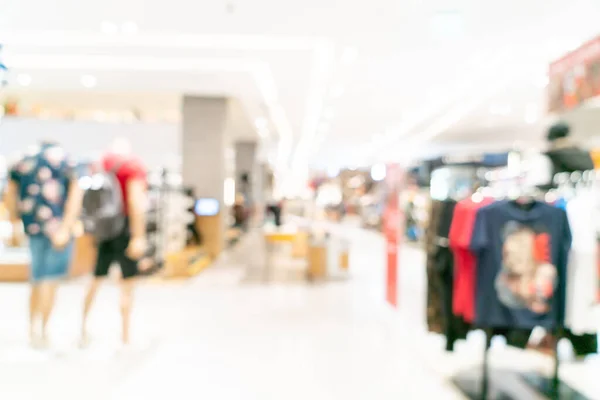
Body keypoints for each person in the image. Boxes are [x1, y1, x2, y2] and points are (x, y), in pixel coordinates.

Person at [4, 141, 82, 347]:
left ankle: (33, 329)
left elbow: (10, 194)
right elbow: (75, 195)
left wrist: (14, 225)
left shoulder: (22, 160)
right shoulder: (65, 159)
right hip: (57, 230)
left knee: (37, 280)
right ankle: (43, 330)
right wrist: (66, 227)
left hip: (33, 228)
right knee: (49, 281)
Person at [81, 138, 148, 346]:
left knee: (96, 278)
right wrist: (139, 236)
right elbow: (135, 202)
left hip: (105, 230)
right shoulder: (132, 168)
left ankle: (83, 328)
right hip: (125, 228)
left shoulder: (102, 165)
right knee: (127, 284)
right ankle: (125, 336)